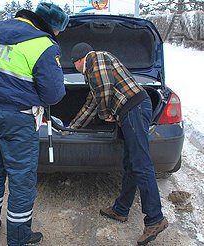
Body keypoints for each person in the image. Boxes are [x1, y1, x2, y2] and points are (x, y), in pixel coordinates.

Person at [0, 3, 69, 246]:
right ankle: (18, 237)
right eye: (58, 31)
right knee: (21, 179)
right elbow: (53, 95)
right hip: (19, 120)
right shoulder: (43, 46)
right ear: (52, 26)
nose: (57, 36)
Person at [69, 43, 168, 245]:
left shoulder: (96, 58)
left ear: (79, 60)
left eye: (74, 65)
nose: (75, 69)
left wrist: (105, 115)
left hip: (134, 108)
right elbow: (92, 102)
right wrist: (72, 127)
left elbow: (105, 90)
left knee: (141, 164)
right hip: (131, 111)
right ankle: (121, 209)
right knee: (131, 163)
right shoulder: (95, 71)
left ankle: (155, 219)